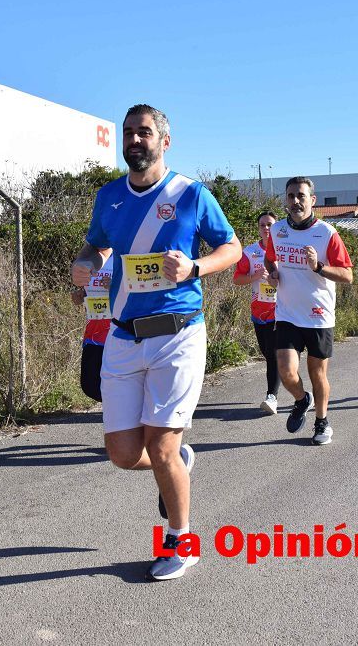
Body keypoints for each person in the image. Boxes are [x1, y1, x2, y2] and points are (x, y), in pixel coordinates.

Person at [71, 104, 240, 581]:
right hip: (123, 337)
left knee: (161, 445)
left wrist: (196, 268)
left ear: (165, 140)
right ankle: (179, 464)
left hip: (178, 334)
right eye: (128, 133)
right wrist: (82, 264)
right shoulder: (108, 197)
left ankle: (180, 541)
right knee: (124, 454)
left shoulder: (191, 195)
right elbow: (95, 245)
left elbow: (232, 248)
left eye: (144, 132)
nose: (135, 140)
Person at [264, 177, 353, 445]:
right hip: (288, 313)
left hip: (318, 315)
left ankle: (322, 422)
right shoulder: (277, 230)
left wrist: (318, 267)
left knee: (317, 373)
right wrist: (273, 273)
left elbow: (347, 275)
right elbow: (270, 258)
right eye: (290, 196)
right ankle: (302, 399)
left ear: (312, 200)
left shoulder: (327, 233)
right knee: (286, 372)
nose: (295, 201)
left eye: (301, 196)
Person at [233, 211, 281, 414]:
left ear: (277, 227)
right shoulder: (250, 252)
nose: (266, 228)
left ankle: (272, 396)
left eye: (270, 224)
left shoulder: (284, 250)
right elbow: (237, 279)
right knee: (266, 352)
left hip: (281, 311)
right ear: (258, 228)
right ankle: (300, 390)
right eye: (262, 225)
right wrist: (254, 276)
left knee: (273, 354)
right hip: (258, 312)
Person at [70, 257, 114, 401]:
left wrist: (116, 286)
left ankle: (123, 413)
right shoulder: (90, 256)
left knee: (121, 381)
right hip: (95, 333)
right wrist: (79, 296)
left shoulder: (124, 249)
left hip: (120, 333)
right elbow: (83, 291)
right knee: (90, 385)